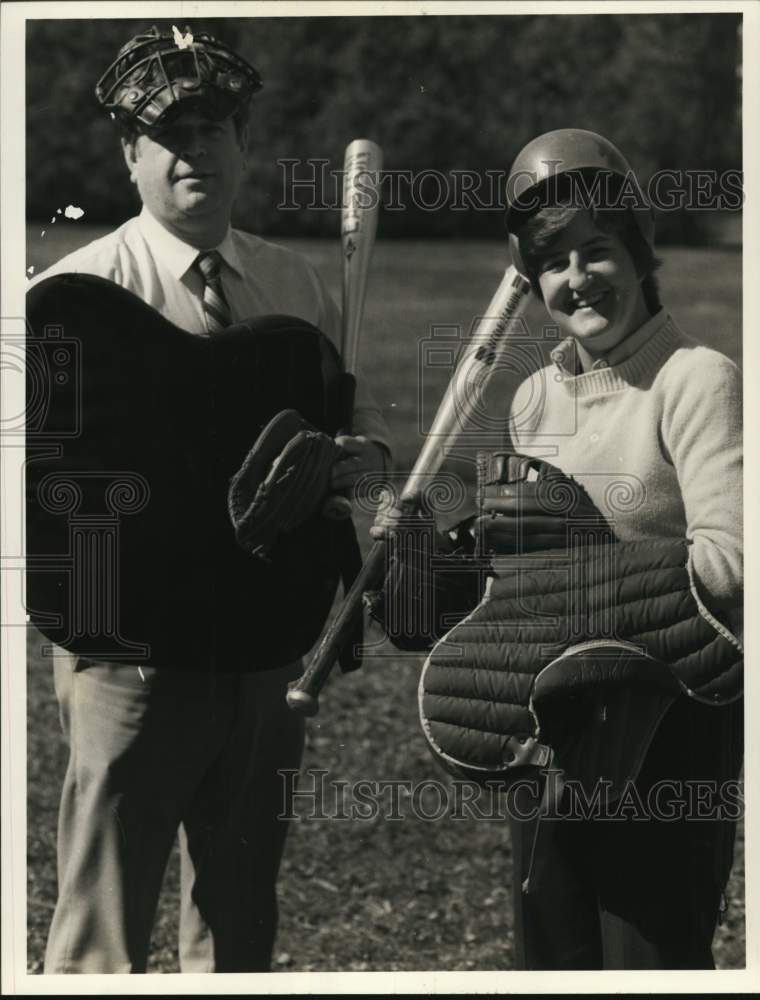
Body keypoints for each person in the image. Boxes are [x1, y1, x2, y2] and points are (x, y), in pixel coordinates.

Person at [31, 25, 391, 974]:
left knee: (237, 914)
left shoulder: (292, 282)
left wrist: (350, 465)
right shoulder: (79, 291)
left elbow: (339, 450)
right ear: (130, 155)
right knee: (103, 922)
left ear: (241, 144)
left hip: (262, 650)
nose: (198, 148)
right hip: (133, 660)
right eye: (172, 132)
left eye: (216, 127)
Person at [374, 129, 742, 969]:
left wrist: (589, 555)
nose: (577, 278)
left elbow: (732, 572)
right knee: (553, 961)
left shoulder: (696, 379)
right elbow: (527, 590)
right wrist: (433, 560)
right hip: (550, 734)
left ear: (640, 254)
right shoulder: (537, 398)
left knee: (650, 962)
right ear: (531, 279)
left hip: (670, 733)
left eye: (598, 251)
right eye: (553, 262)